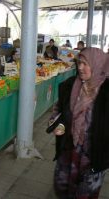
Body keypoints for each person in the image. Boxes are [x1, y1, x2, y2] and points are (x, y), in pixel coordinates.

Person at [48, 47, 109, 199]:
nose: (80, 67)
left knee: (85, 193)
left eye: (85, 64)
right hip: (69, 149)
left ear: (97, 64)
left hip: (94, 154)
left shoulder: (106, 92)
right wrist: (59, 124)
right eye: (79, 63)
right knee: (62, 187)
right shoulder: (70, 86)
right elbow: (58, 110)